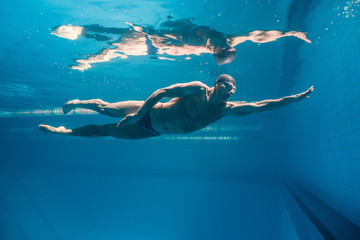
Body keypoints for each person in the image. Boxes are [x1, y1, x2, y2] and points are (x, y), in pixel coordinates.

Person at [39, 74, 314, 139]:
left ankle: (63, 132)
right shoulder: (197, 90)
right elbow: (162, 92)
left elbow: (264, 105)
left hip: (153, 131)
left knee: (107, 132)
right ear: (215, 85)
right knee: (107, 109)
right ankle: (78, 102)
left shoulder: (226, 109)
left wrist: (297, 98)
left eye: (233, 90)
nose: (230, 92)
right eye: (226, 87)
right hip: (146, 112)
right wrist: (139, 114)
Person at [52, 18, 311, 71]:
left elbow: (258, 35)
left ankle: (88, 60)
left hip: (155, 46)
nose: (215, 48)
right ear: (228, 46)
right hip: (157, 38)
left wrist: (151, 34)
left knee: (117, 49)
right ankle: (82, 31)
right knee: (115, 36)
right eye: (219, 48)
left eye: (216, 52)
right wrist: (289, 32)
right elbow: (258, 34)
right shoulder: (230, 39)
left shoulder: (208, 46)